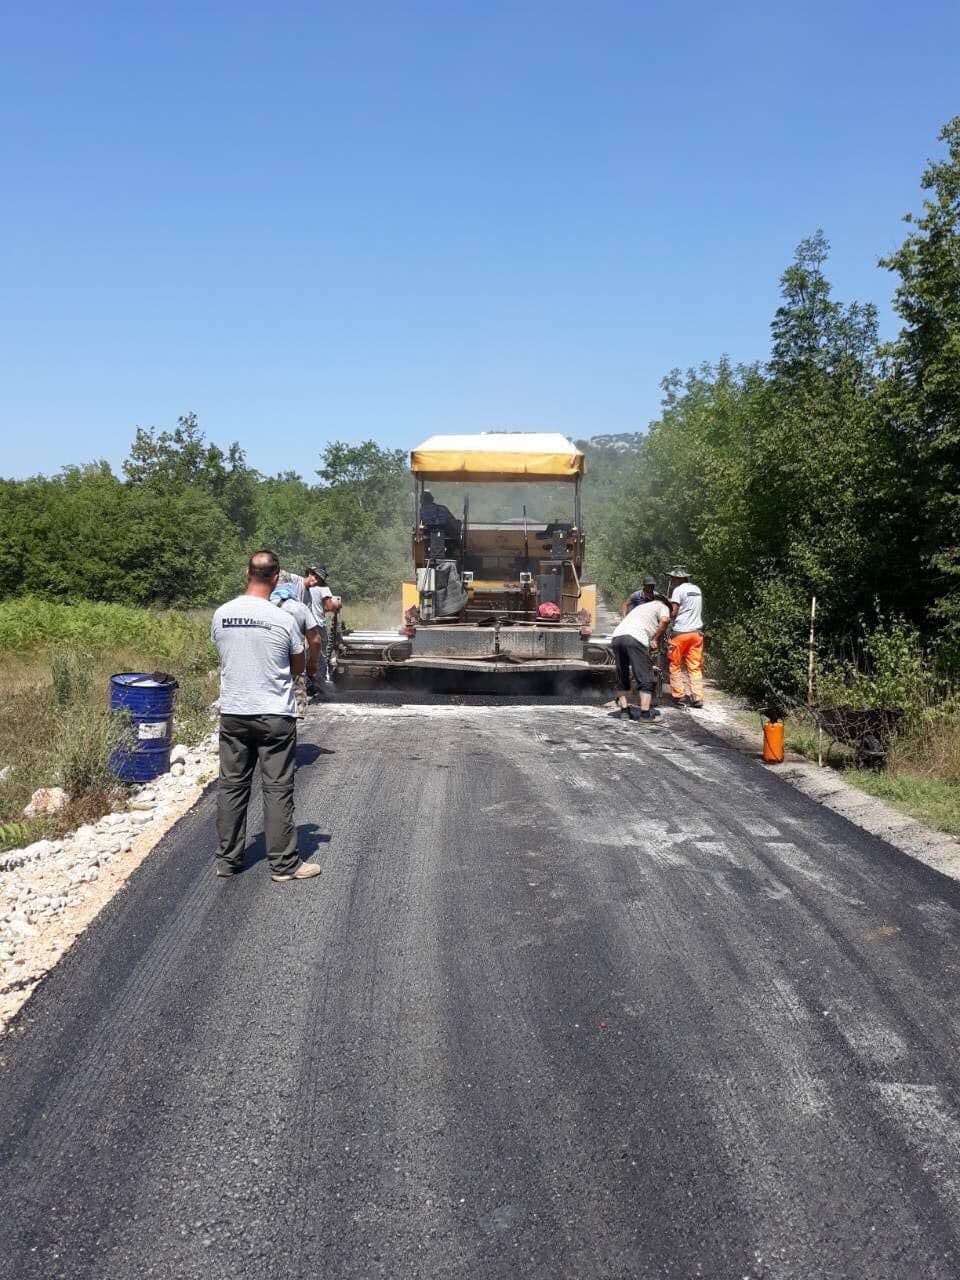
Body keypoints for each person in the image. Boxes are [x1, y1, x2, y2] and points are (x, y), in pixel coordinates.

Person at [211, 550, 322, 883]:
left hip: (234, 712)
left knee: (231, 786)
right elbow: (298, 667)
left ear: (247, 573)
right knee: (276, 789)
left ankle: (228, 861)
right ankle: (284, 865)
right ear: (276, 579)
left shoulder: (222, 614)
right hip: (273, 714)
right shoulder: (284, 619)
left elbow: (224, 652)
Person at [610, 594, 671, 721]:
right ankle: (645, 714)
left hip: (617, 637)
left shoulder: (641, 608)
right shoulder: (662, 606)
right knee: (645, 676)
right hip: (635, 638)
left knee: (622, 675)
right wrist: (655, 639)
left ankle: (624, 711)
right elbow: (665, 620)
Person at [269, 582, 321, 718]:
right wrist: (312, 663)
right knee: (297, 694)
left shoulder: (265, 606)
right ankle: (294, 717)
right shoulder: (300, 608)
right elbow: (315, 640)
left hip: (269, 661)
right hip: (295, 661)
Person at [666, 565, 705, 708]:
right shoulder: (696, 589)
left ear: (678, 578)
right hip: (696, 633)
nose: (671, 580)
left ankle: (679, 696)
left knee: (675, 665)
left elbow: (674, 611)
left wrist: (666, 615)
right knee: (694, 667)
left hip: (680, 633)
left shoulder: (678, 590)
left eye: (672, 578)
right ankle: (697, 697)